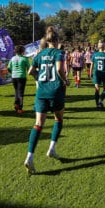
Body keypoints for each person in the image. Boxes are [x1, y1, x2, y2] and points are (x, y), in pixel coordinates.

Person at [24, 27, 68, 175]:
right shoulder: (59, 52)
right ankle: (51, 149)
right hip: (55, 91)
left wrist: (39, 79)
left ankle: (29, 157)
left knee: (38, 124)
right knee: (58, 119)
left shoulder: (40, 54)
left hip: (41, 92)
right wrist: (65, 80)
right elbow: (60, 69)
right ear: (56, 40)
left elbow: (30, 72)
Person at [8, 45, 30, 115]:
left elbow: (9, 68)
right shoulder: (25, 59)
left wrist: (13, 72)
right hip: (21, 77)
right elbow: (29, 68)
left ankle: (16, 104)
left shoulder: (12, 58)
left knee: (16, 91)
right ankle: (20, 109)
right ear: (22, 51)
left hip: (14, 77)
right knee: (21, 93)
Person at [92, 41, 105, 110]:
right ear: (104, 47)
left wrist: (91, 73)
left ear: (98, 47)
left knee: (97, 90)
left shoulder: (94, 54)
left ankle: (97, 105)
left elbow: (92, 64)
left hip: (96, 73)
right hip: (103, 73)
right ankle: (101, 101)